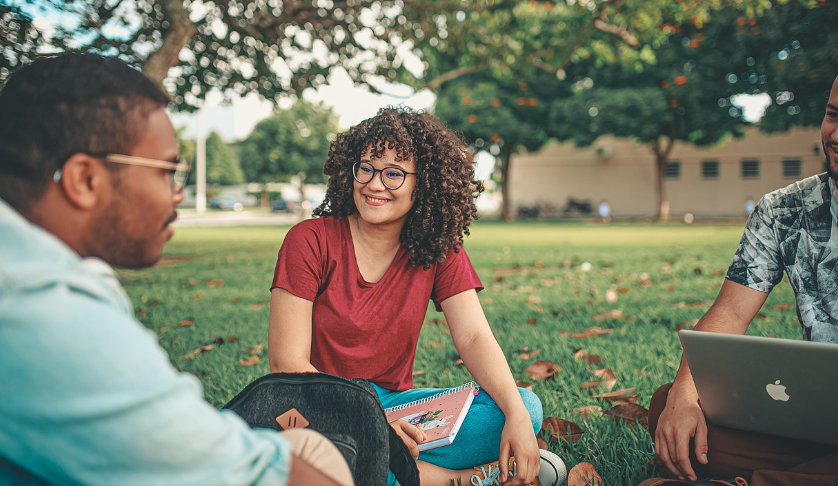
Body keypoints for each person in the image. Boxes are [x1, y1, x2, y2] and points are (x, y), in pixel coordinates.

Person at [0, 53, 352, 486]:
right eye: (167, 171)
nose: (178, 195)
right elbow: (261, 475)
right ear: (85, 180)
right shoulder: (45, 311)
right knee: (317, 456)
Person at [267, 106, 566, 486]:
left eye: (394, 173)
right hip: (318, 409)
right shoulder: (309, 241)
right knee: (318, 458)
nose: (375, 184)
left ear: (422, 183)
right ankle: (458, 479)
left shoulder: (439, 248)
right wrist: (371, 428)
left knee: (523, 405)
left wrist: (517, 419)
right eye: (367, 168)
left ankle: (385, 469)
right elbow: (286, 364)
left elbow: (473, 336)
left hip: (394, 409)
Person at [641, 48, 838, 486]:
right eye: (833, 114)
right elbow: (731, 313)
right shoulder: (784, 210)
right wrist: (685, 396)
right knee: (671, 410)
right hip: (822, 420)